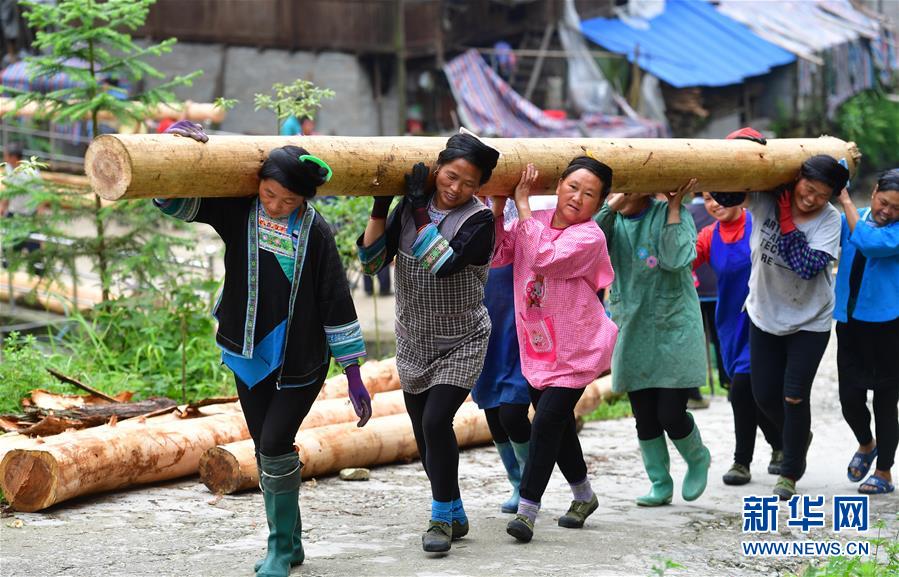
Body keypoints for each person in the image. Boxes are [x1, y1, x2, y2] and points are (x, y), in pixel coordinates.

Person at [155, 121, 372, 577]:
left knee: (273, 443)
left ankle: (277, 548)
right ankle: (291, 542)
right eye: (269, 194)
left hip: (301, 359)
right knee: (266, 447)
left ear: (304, 201)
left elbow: (335, 299)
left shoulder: (316, 232)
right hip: (249, 351)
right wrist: (171, 142)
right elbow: (175, 201)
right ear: (259, 184)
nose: (275, 205)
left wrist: (353, 373)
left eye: (288, 201)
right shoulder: (241, 211)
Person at [357, 130, 499, 554]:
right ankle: (454, 510)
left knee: (437, 422)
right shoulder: (408, 208)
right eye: (450, 176)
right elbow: (371, 264)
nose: (455, 188)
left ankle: (439, 520)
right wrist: (381, 206)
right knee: (425, 436)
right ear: (437, 169)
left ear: (479, 187)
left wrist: (419, 207)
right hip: (414, 338)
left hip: (462, 339)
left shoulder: (479, 221)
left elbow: (441, 263)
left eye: (468, 183)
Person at [492, 157, 617, 543]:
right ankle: (584, 495)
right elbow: (497, 254)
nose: (577, 197)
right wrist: (497, 205)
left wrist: (522, 203)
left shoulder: (590, 237)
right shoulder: (537, 220)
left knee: (546, 423)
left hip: (577, 348)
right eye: (573, 186)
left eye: (589, 194)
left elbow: (544, 258)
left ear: (599, 203)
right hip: (539, 345)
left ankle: (527, 511)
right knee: (559, 427)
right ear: (559, 184)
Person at [714, 149, 849, 500]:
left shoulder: (829, 221)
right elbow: (725, 196)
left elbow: (807, 266)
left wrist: (787, 221)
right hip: (763, 314)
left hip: (809, 321)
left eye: (822, 195)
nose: (812, 198)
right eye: (809, 188)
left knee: (793, 396)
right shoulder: (767, 198)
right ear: (797, 179)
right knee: (763, 395)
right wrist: (741, 155)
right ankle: (798, 436)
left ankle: (790, 470)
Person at [595, 179, 711, 508]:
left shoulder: (670, 214)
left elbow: (675, 259)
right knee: (644, 415)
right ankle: (660, 482)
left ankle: (698, 457)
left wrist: (674, 208)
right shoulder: (611, 218)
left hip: (673, 328)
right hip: (632, 327)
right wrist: (613, 203)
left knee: (670, 413)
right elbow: (587, 243)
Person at [693, 191, 782, 486]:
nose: (715, 204)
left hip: (762, 318)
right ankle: (783, 441)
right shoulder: (709, 235)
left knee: (742, 389)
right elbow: (683, 262)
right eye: (708, 198)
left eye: (720, 196)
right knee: (748, 390)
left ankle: (741, 461)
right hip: (730, 322)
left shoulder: (758, 223)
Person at [834, 169, 899, 495]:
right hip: (850, 322)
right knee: (849, 398)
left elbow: (870, 244)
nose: (887, 211)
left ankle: (884, 472)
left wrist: (844, 198)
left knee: (885, 402)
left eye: (896, 208)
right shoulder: (851, 217)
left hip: (888, 326)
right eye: (883, 202)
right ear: (873, 192)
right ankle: (866, 443)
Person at [472, 195, 531, 515]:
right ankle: (517, 482)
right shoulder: (465, 207)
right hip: (483, 324)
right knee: (493, 410)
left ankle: (532, 483)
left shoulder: (523, 208)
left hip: (520, 326)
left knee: (512, 411)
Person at [685, 192, 720, 409]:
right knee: (720, 337)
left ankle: (693, 391)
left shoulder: (686, 213)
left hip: (694, 289)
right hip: (718, 285)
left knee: (694, 341)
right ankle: (730, 382)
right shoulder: (723, 210)